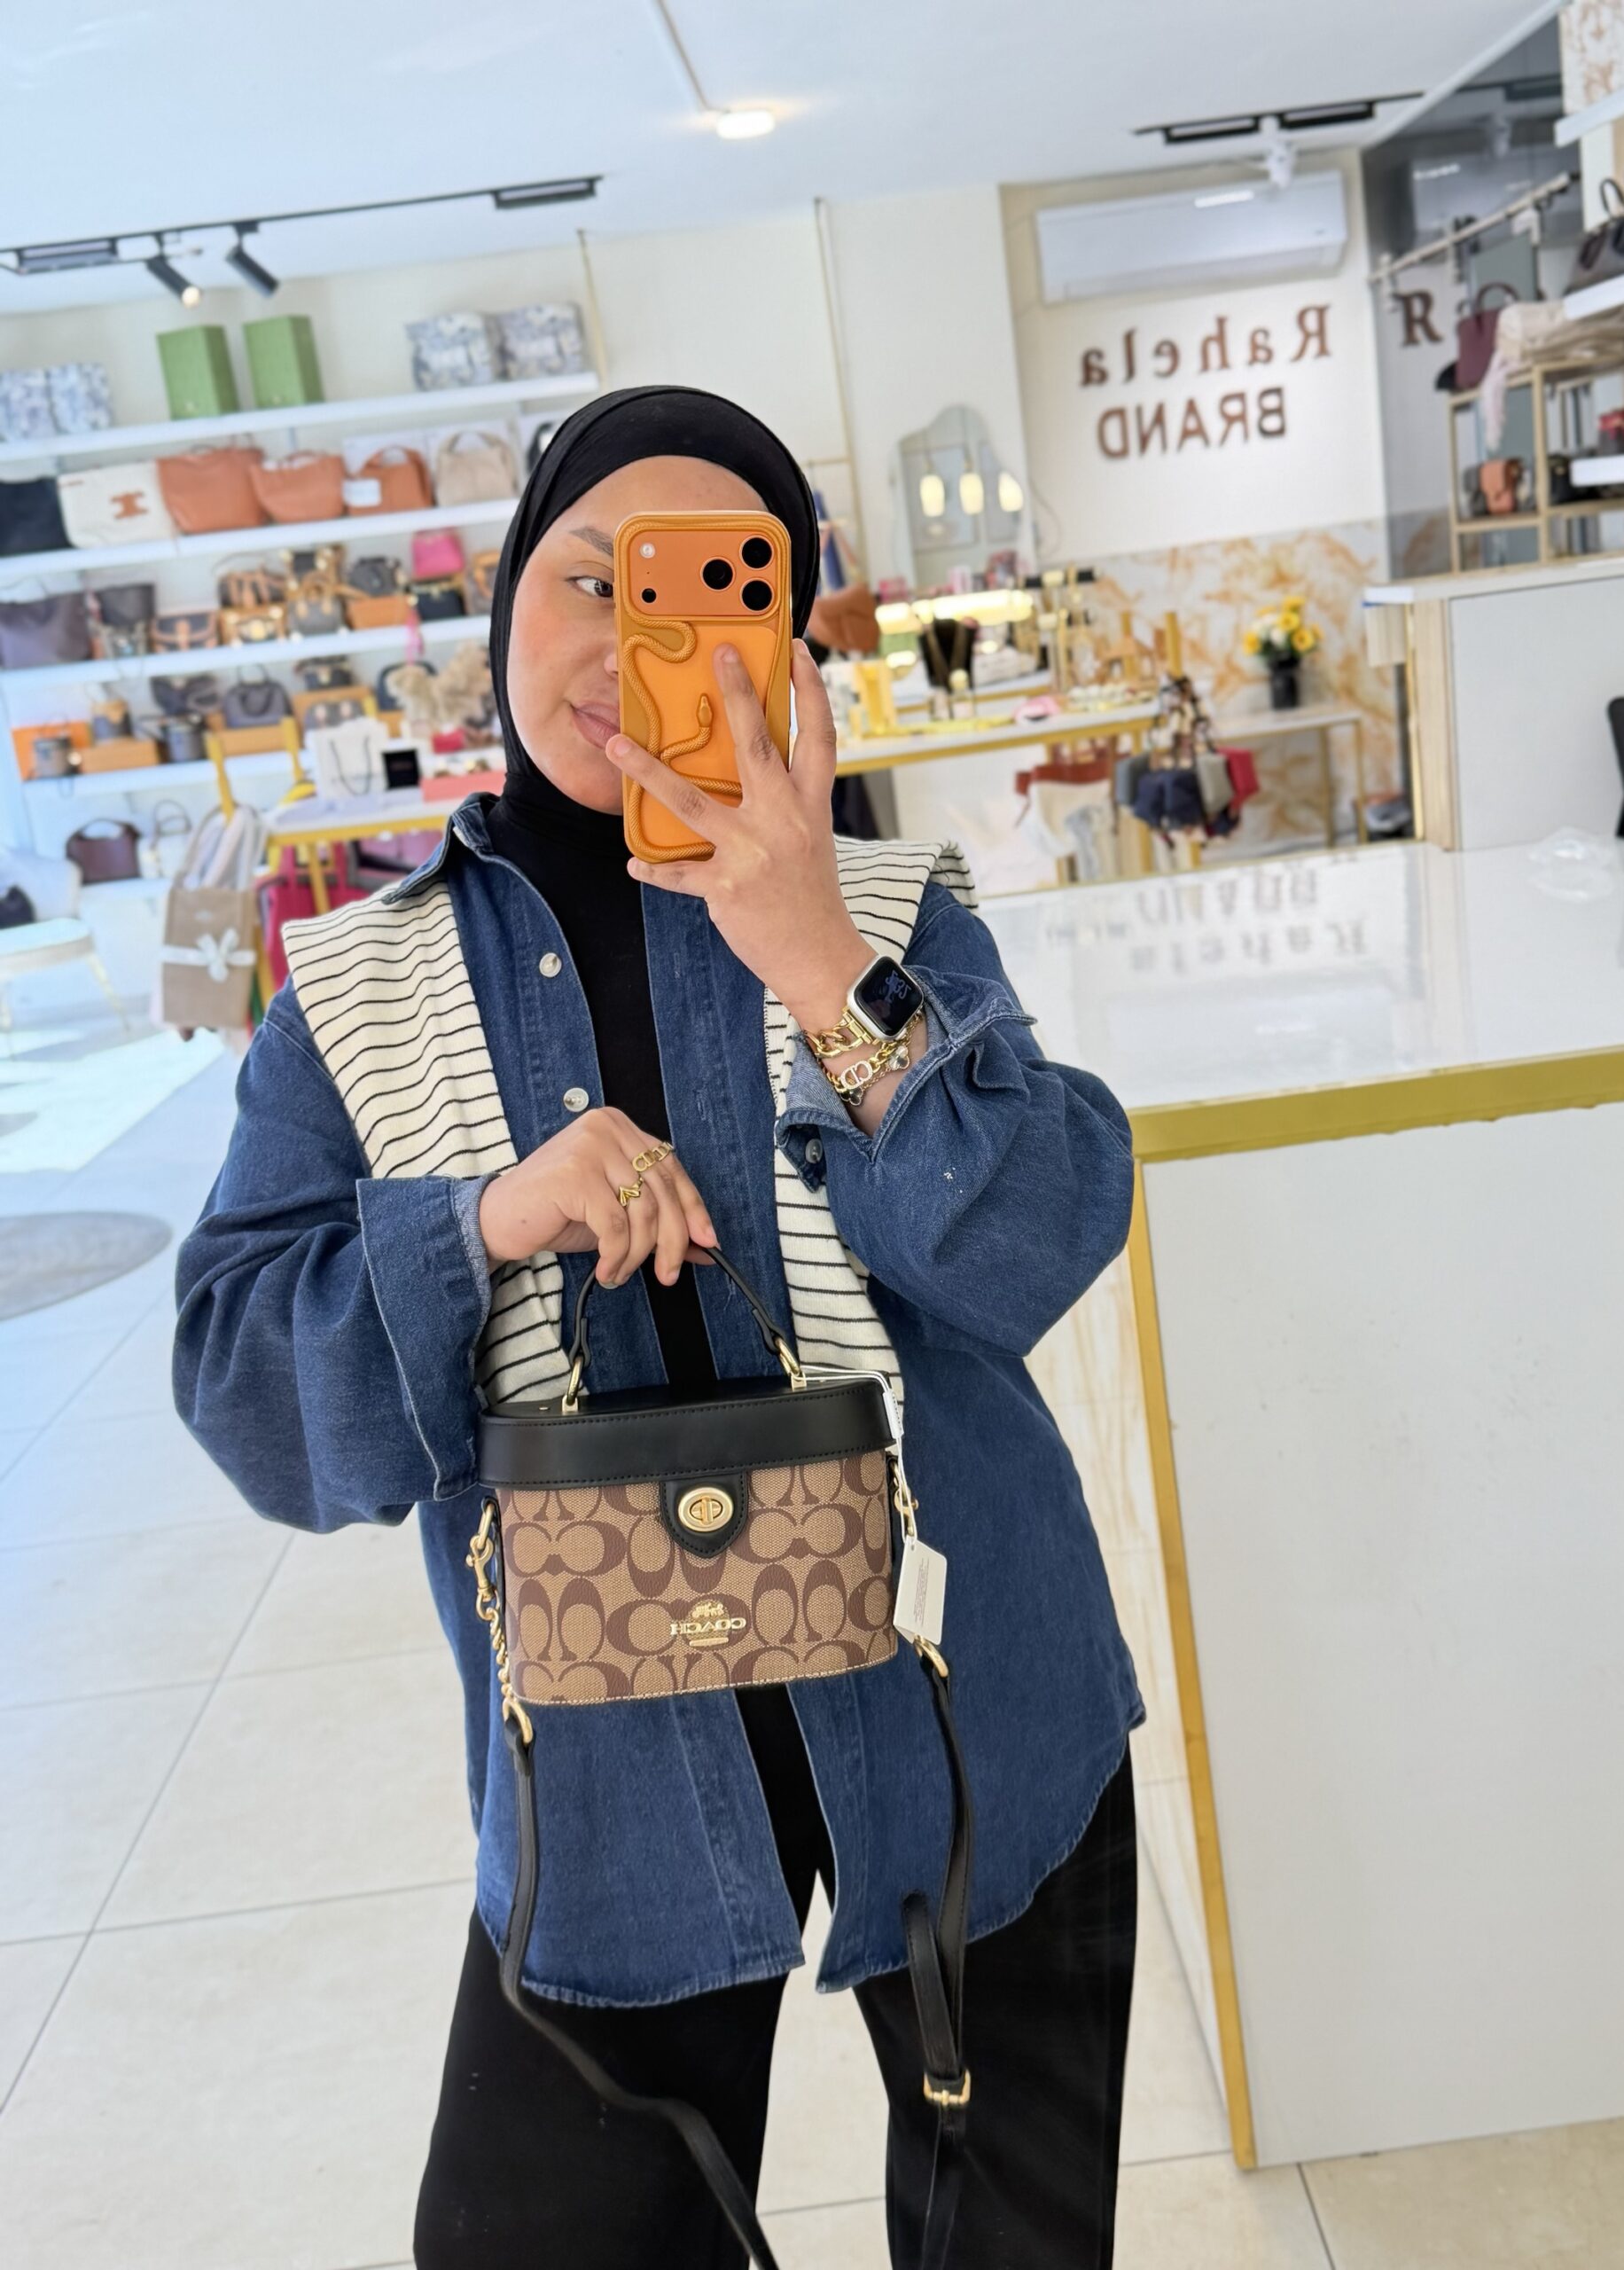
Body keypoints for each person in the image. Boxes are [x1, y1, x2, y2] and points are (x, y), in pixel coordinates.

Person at [175, 385, 1145, 2270]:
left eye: (711, 586)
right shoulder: (355, 990)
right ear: (501, 613)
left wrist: (816, 955)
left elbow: (1036, 1240)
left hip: (967, 1696)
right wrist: (483, 1224)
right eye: (587, 577)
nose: (638, 641)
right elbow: (246, 1390)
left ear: (784, 643)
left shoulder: (889, 906)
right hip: (604, 1776)